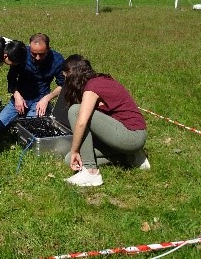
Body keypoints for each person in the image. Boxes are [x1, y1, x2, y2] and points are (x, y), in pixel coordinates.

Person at [62, 54, 149, 187]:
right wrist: (74, 154)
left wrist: (75, 150)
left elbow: (81, 122)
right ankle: (131, 157)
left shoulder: (92, 87)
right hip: (122, 136)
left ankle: (91, 173)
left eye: (65, 77)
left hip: (132, 135)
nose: (65, 82)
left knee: (76, 110)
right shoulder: (99, 81)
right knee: (70, 160)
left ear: (71, 74)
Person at [0, 33, 65, 132]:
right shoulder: (21, 54)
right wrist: (17, 96)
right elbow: (11, 78)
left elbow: (63, 85)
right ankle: (18, 119)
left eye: (42, 54)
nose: (38, 58)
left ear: (48, 49)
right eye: (34, 54)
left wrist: (46, 99)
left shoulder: (57, 60)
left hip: (40, 99)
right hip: (20, 96)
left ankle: (28, 118)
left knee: (31, 130)